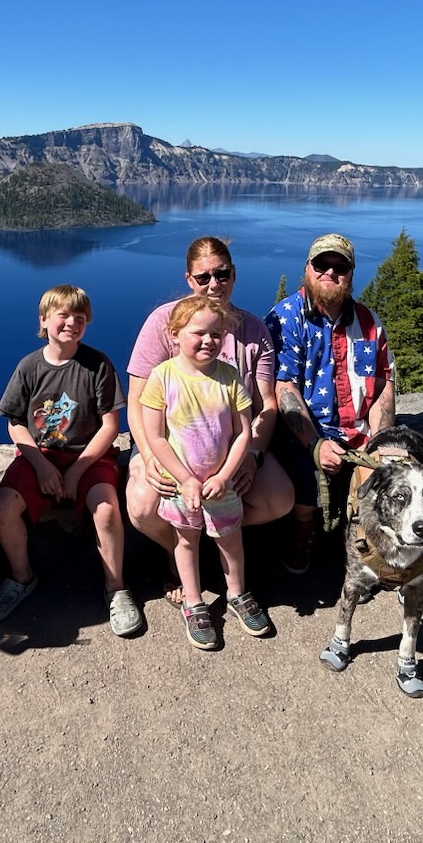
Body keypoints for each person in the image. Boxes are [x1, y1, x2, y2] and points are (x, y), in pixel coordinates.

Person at [125, 236, 293, 601]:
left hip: (229, 448)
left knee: (279, 498)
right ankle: (177, 552)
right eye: (203, 277)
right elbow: (136, 402)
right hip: (170, 446)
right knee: (141, 504)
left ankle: (210, 536)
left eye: (222, 274)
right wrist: (149, 457)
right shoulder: (163, 323)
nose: (214, 284)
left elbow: (265, 404)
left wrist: (252, 456)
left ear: (234, 274)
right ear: (189, 279)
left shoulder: (253, 331)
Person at [0, 284, 140, 636]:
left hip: (90, 457)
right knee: (2, 506)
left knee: (106, 509)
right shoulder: (29, 367)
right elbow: (15, 423)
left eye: (80, 317)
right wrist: (40, 464)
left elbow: (110, 426)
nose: (72, 323)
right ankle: (21, 577)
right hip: (41, 456)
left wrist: (78, 470)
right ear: (44, 320)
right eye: (63, 315)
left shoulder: (97, 364)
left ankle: (116, 587)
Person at [139, 295, 274, 650]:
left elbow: (243, 433)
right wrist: (185, 479)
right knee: (186, 541)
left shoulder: (229, 378)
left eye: (216, 334)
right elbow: (155, 436)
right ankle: (194, 602)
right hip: (181, 485)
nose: (208, 341)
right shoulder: (163, 377)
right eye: (198, 333)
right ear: (175, 334)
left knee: (231, 541)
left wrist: (225, 476)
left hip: (221, 485)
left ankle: (237, 593)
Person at [264, 233, 394, 574]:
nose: (330, 273)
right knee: (303, 470)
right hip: (305, 430)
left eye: (340, 267)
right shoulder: (286, 317)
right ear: (308, 268)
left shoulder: (368, 323)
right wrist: (315, 444)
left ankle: (366, 545)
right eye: (322, 264)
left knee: (391, 476)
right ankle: (302, 529)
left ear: (351, 274)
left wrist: (381, 442)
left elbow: (383, 384)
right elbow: (284, 387)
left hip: (359, 432)